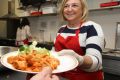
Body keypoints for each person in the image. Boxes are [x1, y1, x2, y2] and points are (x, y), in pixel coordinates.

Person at [30, 0, 104, 80]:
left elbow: (96, 62)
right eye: (66, 6)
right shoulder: (61, 30)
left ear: (83, 9)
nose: (69, 9)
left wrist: (79, 59)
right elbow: (54, 56)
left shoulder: (91, 27)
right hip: (61, 77)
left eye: (74, 5)